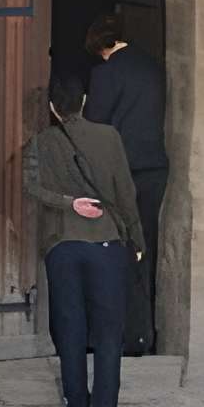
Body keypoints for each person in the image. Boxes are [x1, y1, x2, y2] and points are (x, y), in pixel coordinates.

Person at [24, 73, 145, 407]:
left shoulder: (41, 143)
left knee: (70, 330)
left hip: (62, 247)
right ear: (85, 100)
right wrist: (137, 239)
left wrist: (67, 203)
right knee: (109, 331)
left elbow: (29, 186)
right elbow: (125, 191)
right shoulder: (110, 137)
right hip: (106, 243)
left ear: (52, 108)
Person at [84, 19, 168, 355]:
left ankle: (116, 334)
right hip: (154, 168)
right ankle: (141, 334)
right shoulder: (152, 66)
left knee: (111, 250)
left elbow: (94, 126)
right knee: (142, 249)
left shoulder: (106, 73)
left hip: (122, 173)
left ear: (98, 48)